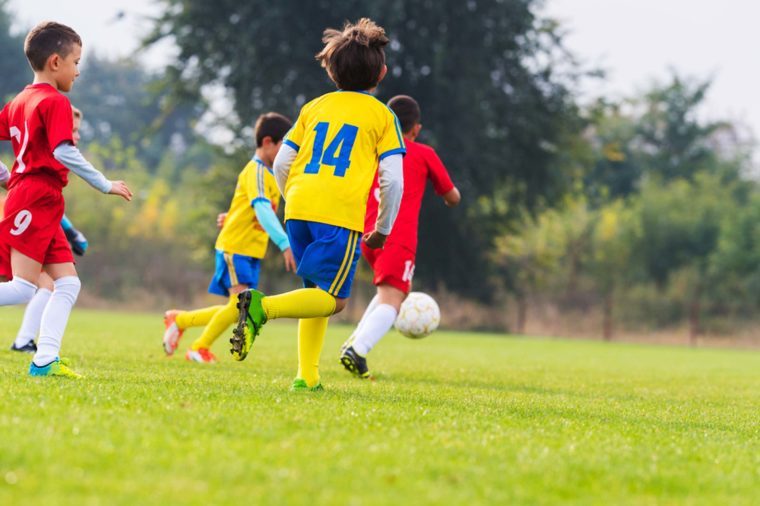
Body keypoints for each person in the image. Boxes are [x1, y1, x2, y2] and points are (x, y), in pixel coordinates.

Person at [231, 18, 405, 391]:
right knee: (334, 301)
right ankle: (264, 308)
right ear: (382, 72)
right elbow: (393, 178)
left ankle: (306, 377)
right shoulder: (382, 115)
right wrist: (383, 229)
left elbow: (281, 163)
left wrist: (291, 197)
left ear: (331, 71)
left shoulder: (314, 107)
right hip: (338, 214)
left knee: (315, 294)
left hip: (298, 208)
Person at [0, 22, 132, 378]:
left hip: (39, 199)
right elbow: (63, 151)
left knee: (69, 283)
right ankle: (43, 358)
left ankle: (44, 360)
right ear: (56, 62)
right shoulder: (55, 101)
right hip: (34, 197)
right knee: (23, 287)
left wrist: (4, 177)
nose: (78, 70)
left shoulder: (19, 102)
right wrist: (104, 183)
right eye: (76, 62)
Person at [339, 95, 461, 378]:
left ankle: (353, 341)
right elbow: (452, 196)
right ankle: (358, 350)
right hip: (396, 234)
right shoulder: (423, 153)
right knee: (393, 300)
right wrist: (449, 196)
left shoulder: (375, 151)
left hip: (367, 234)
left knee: (387, 292)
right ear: (416, 128)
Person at [162, 113, 296, 363]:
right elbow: (261, 209)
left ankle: (179, 320)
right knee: (240, 305)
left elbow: (246, 207)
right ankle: (199, 347)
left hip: (249, 250)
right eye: (284, 147)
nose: (288, 154)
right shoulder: (254, 170)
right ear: (268, 142)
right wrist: (284, 242)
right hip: (236, 247)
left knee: (235, 308)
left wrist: (231, 216)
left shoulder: (269, 174)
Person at [7, 106, 90, 353]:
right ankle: (25, 342)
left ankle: (36, 349)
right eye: (72, 130)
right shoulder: (50, 154)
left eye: (77, 131)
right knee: (29, 287)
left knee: (50, 285)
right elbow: (38, 199)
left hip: (34, 222)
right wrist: (72, 231)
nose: (75, 137)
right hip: (24, 224)